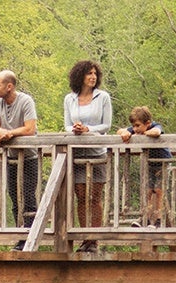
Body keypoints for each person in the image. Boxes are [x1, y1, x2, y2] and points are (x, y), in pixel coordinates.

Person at [63, 59, 112, 252]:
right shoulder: (70, 98)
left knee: (94, 196)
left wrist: (88, 129)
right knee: (81, 196)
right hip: (77, 153)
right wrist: (74, 129)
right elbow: (66, 123)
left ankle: (94, 239)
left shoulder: (103, 97)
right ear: (80, 76)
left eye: (95, 74)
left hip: (97, 151)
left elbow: (106, 125)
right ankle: (84, 237)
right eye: (89, 74)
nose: (92, 77)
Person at [0, 70, 38, 250]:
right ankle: (20, 236)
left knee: (28, 198)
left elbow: (29, 129)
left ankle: (30, 236)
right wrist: (2, 134)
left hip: (29, 157)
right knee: (15, 197)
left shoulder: (25, 101)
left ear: (9, 86)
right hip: (11, 158)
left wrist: (9, 134)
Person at [119, 106, 170, 226]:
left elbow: (157, 132)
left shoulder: (155, 126)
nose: (135, 129)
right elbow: (120, 131)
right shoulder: (136, 129)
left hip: (162, 163)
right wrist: (126, 132)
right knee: (146, 191)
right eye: (133, 126)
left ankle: (159, 220)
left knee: (158, 191)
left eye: (137, 125)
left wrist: (144, 134)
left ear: (147, 123)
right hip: (149, 164)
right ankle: (144, 219)